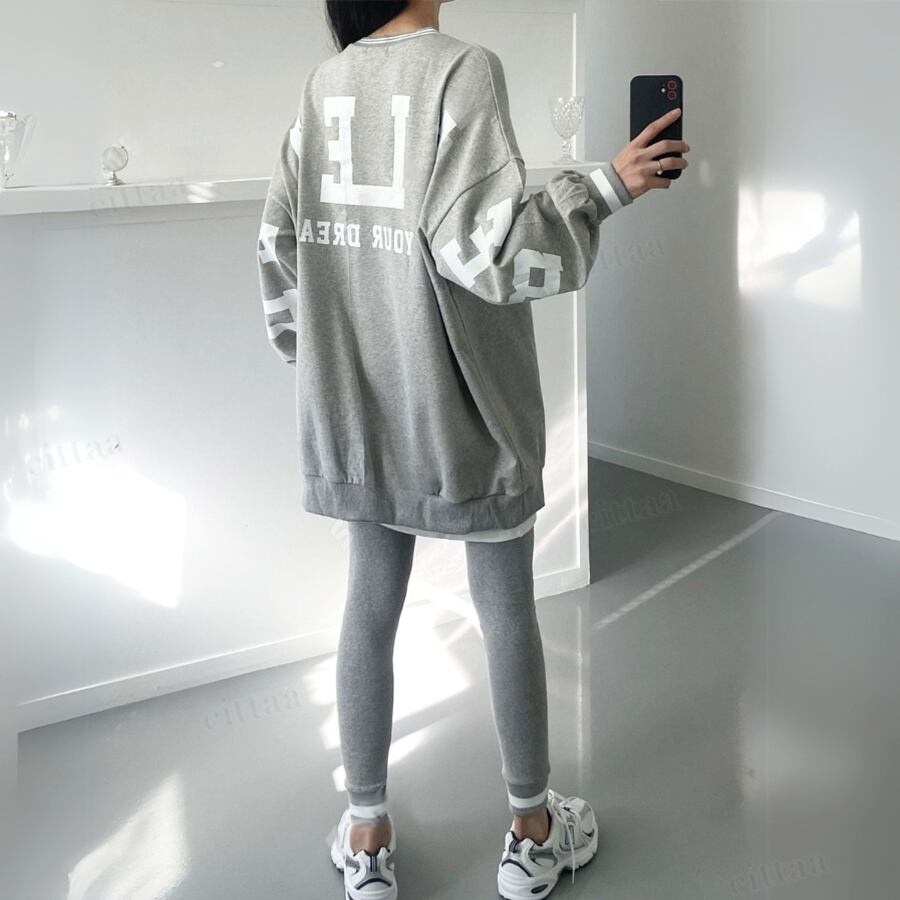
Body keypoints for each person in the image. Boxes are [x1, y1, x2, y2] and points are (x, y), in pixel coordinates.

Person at [257, 2, 690, 897]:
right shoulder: (462, 70)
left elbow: (277, 241)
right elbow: (490, 252)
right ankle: (533, 833)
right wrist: (605, 187)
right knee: (504, 610)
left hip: (359, 414)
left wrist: (320, 362)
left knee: (367, 608)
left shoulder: (323, 83)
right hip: (462, 413)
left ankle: (367, 840)